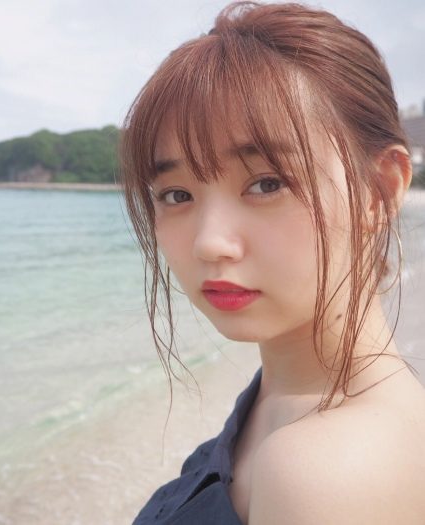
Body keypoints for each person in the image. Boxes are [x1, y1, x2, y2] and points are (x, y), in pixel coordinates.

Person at [119, 2, 425, 524]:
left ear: (379, 190)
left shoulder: (325, 473)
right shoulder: (286, 395)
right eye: (175, 194)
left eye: (266, 183)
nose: (209, 244)